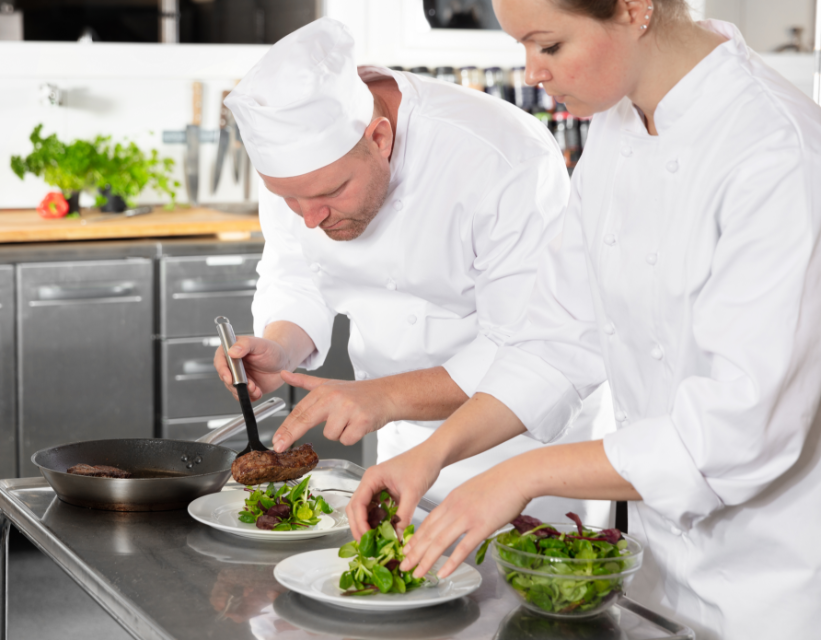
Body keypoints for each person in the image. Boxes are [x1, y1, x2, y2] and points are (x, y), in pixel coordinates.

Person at [348, 1, 821, 638]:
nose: (532, 72)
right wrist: (433, 455)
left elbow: (734, 433)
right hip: (658, 572)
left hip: (775, 585)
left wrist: (517, 476)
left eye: (548, 45)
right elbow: (557, 338)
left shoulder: (776, 151)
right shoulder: (618, 124)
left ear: (633, 8)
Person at [214, 16, 613, 523]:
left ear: (378, 138)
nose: (309, 216)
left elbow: (529, 347)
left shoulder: (501, 155)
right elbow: (297, 274)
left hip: (525, 451)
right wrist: (279, 346)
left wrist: (382, 395)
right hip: (402, 444)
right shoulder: (302, 171)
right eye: (287, 199)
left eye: (329, 194)